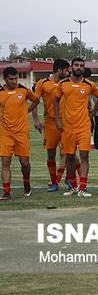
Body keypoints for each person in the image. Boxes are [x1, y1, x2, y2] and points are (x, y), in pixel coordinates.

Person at [54, 58, 98, 197]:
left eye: (81, 66)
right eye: (76, 65)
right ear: (71, 67)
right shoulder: (63, 83)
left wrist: (92, 114)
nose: (79, 67)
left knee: (84, 156)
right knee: (69, 157)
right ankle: (72, 186)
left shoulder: (89, 84)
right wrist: (57, 120)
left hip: (83, 126)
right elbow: (56, 100)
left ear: (84, 68)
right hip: (67, 127)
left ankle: (82, 187)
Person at [31, 59, 72, 192]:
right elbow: (35, 101)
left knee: (68, 152)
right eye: (66, 70)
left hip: (66, 121)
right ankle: (55, 181)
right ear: (59, 70)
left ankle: (61, 178)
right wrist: (36, 119)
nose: (68, 72)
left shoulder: (68, 83)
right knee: (51, 153)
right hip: (50, 122)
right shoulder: (42, 83)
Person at [0, 67, 39, 200]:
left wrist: (27, 111)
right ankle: (6, 192)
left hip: (22, 133)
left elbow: (36, 100)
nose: (14, 81)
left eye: (16, 78)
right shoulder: (0, 92)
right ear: (4, 79)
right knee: (5, 162)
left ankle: (27, 183)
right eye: (11, 79)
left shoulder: (23, 89)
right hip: (5, 134)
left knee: (25, 163)